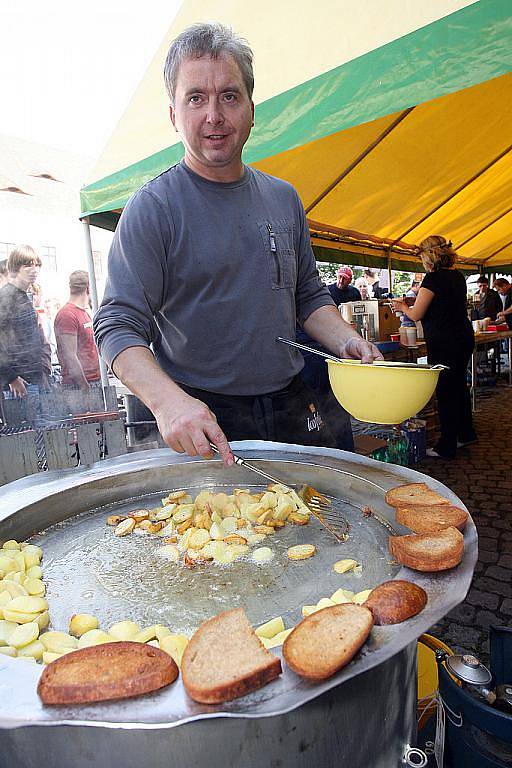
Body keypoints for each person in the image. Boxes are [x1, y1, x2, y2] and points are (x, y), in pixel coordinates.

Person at [94, 22, 382, 465]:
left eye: (229, 95)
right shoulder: (153, 208)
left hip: (292, 405)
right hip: (204, 416)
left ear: (251, 108)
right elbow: (116, 324)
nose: (214, 114)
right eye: (196, 98)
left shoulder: (283, 198)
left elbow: (308, 296)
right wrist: (168, 403)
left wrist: (346, 340)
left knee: (308, 521)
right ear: (174, 115)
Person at [392, 235, 476, 460]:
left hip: (445, 341)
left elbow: (416, 314)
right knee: (458, 385)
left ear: (429, 256)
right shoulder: (458, 276)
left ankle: (446, 445)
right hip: (463, 336)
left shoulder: (432, 279)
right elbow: (442, 305)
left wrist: (401, 306)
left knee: (446, 390)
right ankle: (466, 433)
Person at [0, 245, 51, 398]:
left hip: (35, 380)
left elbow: (33, 339)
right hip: (18, 385)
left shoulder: (24, 297)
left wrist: (42, 372)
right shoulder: (5, 297)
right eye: (28, 265)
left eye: (36, 265)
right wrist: (12, 378)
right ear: (16, 267)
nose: (34, 269)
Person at [55, 271, 101, 390]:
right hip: (77, 385)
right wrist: (84, 386)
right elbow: (69, 355)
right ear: (88, 288)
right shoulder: (67, 315)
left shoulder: (84, 313)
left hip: (93, 380)